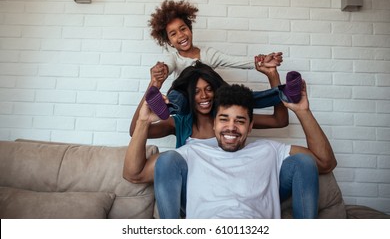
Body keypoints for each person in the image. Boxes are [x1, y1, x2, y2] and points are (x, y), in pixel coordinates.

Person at [128, 61, 320, 218]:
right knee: (169, 153)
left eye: (209, 89)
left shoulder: (232, 121)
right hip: (200, 193)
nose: (203, 96)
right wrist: (153, 88)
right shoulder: (181, 127)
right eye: (196, 91)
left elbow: (279, 120)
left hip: (244, 190)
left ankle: (283, 92)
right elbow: (136, 133)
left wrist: (273, 77)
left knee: (250, 101)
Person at [147, 0, 296, 116]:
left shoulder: (208, 54)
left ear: (190, 29)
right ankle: (167, 108)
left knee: (238, 96)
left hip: (209, 101)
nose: (180, 35)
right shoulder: (173, 58)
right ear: (169, 42)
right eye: (173, 34)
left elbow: (233, 60)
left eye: (183, 29)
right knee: (176, 95)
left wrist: (259, 61)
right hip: (186, 102)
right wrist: (162, 70)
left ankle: (284, 93)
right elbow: (167, 65)